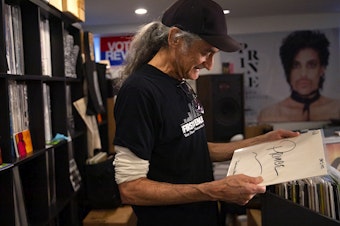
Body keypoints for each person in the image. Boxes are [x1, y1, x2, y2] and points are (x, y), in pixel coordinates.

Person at [113, 0, 299, 225]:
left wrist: (262, 141)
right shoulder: (139, 91)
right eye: (206, 52)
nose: (210, 65)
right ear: (175, 39)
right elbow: (131, 189)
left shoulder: (180, 82)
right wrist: (215, 190)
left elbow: (192, 148)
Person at [258, 30, 340, 123]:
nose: (303, 74)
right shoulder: (269, 113)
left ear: (322, 69)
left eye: (311, 65)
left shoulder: (337, 109)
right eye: (296, 66)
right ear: (288, 70)